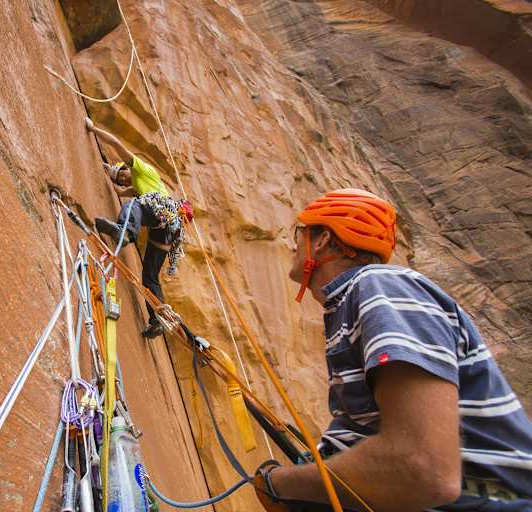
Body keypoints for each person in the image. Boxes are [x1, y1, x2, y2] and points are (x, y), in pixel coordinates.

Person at [254, 189, 532, 511]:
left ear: (322, 240)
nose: (292, 244)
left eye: (298, 234)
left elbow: (423, 467)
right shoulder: (352, 303)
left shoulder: (380, 287)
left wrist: (280, 484)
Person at [85, 118, 191, 339]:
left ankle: (126, 233)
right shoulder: (138, 187)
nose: (123, 180)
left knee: (134, 205)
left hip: (163, 213)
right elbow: (119, 191)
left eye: (122, 175)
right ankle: (158, 320)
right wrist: (108, 172)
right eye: (121, 180)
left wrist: (93, 128)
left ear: (126, 168)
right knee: (150, 277)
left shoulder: (142, 170)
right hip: (166, 231)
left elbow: (117, 145)